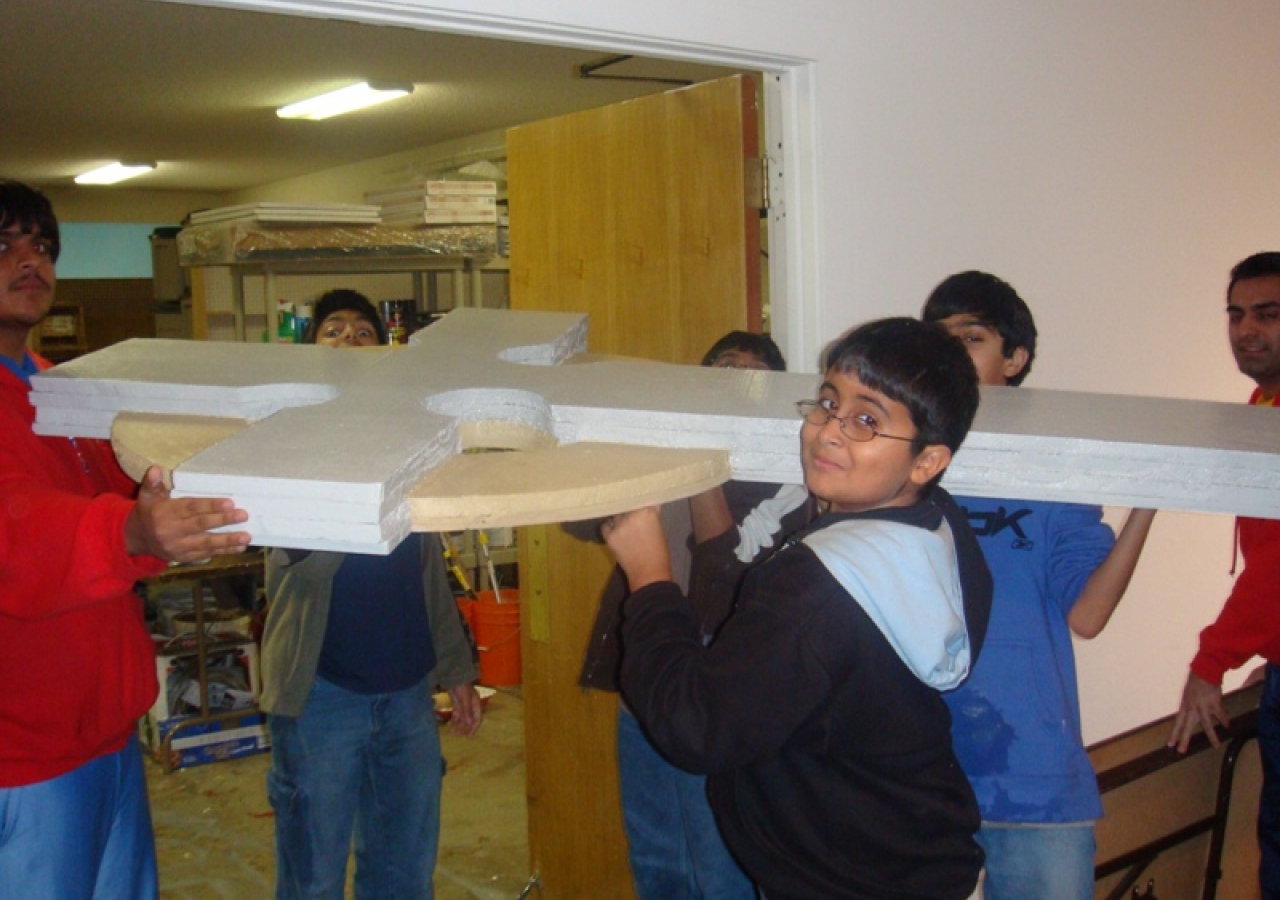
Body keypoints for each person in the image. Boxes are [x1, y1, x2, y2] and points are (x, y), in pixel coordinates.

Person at [603, 316, 992, 900]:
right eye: (829, 402)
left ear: (926, 460)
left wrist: (649, 576)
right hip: (924, 867)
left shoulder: (820, 588)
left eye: (867, 419)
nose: (828, 433)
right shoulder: (941, 524)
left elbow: (697, 727)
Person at [0, 178, 252, 899]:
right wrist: (132, 528)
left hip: (106, 730)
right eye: (5, 244)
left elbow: (117, 492)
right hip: (24, 754)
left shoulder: (53, 387)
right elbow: (17, 527)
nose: (31, 261)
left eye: (43, 246)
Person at [922, 270, 1155, 900]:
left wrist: (1151, 504)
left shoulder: (1055, 476)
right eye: (939, 338)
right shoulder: (907, 468)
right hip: (918, 784)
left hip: (1035, 785)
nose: (952, 351)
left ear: (1015, 358)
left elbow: (1087, 615)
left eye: (970, 337)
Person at [260, 288, 483, 900]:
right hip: (322, 695)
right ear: (310, 351)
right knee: (313, 877)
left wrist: (456, 669)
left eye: (363, 332)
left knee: (404, 874)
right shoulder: (284, 441)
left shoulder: (407, 440)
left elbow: (427, 570)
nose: (351, 341)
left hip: (407, 695)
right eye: (334, 330)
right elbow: (292, 566)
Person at [580, 330, 809, 900]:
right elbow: (581, 519)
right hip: (645, 694)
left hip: (718, 697)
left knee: (718, 866)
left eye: (752, 372)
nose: (734, 378)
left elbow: (721, 564)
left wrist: (700, 459)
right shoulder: (663, 447)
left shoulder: (789, 475)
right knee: (656, 860)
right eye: (723, 366)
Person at [1168, 251, 1280, 898]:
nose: (1245, 330)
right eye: (1236, 314)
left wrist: (1212, 663)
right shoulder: (1262, 402)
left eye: (1267, 315)